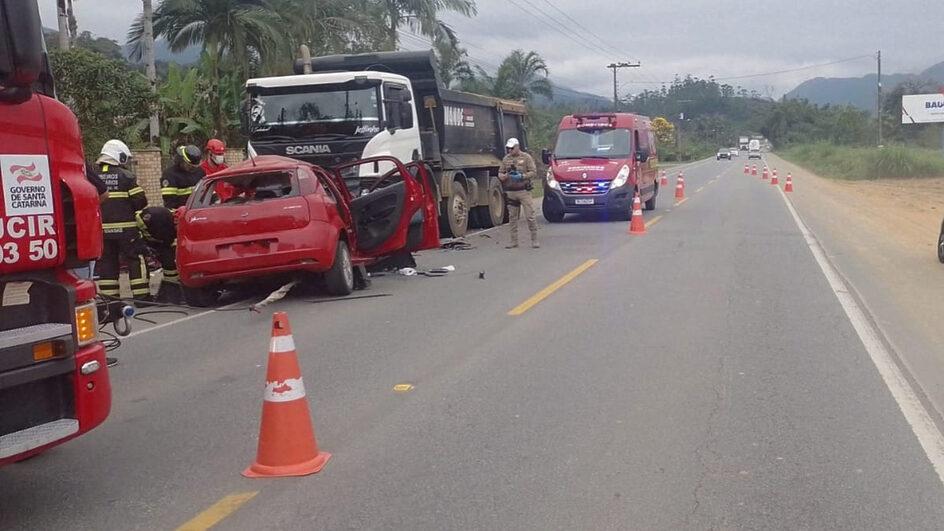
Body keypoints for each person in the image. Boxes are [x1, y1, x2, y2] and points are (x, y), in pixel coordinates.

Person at [96, 140, 148, 368]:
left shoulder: (94, 177)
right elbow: (141, 201)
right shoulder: (126, 177)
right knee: (135, 261)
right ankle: (142, 298)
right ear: (120, 157)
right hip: (127, 230)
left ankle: (110, 303)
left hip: (102, 233)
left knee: (107, 269)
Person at [498, 137, 539, 249]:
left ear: (517, 147)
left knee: (530, 216)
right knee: (512, 218)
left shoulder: (526, 157)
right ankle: (513, 241)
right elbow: (500, 173)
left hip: (523, 191)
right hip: (511, 191)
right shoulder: (506, 159)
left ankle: (534, 239)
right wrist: (504, 176)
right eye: (508, 148)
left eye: (511, 148)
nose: (509, 151)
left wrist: (522, 176)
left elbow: (533, 172)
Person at [136, 206, 181, 304]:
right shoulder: (148, 219)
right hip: (150, 241)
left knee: (169, 264)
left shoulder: (170, 220)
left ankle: (172, 291)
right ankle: (172, 293)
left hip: (161, 242)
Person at [161, 144, 204, 212]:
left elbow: (207, 190)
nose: (192, 169)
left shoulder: (200, 172)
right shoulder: (169, 175)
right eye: (189, 166)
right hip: (180, 214)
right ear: (181, 160)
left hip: (198, 212)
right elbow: (170, 202)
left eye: (194, 167)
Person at [200, 138, 236, 202]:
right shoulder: (201, 171)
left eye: (222, 154)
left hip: (226, 205)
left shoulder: (226, 169)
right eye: (218, 154)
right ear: (210, 153)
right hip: (210, 207)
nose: (221, 156)